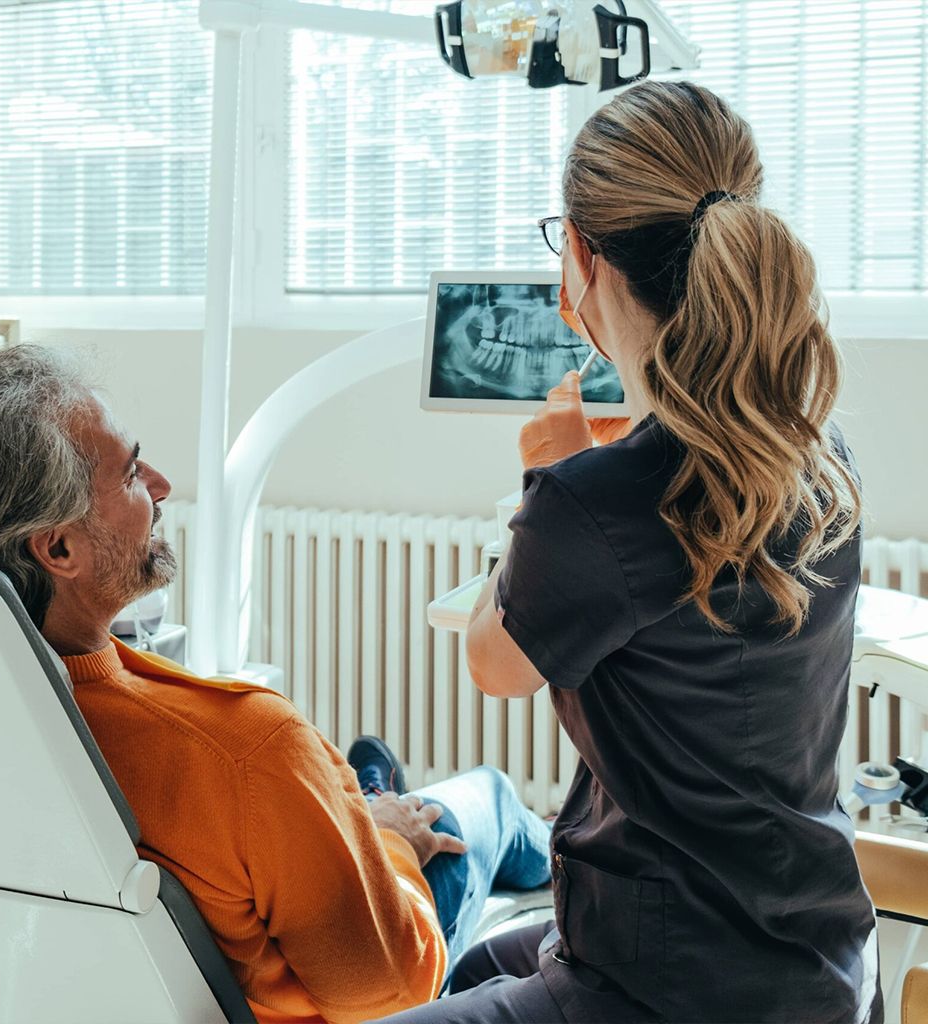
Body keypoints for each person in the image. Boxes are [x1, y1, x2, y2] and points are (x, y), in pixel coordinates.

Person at [376, 80, 881, 1024]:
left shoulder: (591, 501)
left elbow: (494, 664)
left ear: (581, 255)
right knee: (481, 961)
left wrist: (546, 481)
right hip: (813, 959)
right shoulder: (819, 452)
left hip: (667, 984)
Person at [0, 345, 552, 1024]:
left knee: (365, 785)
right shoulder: (245, 744)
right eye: (130, 474)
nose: (159, 483)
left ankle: (362, 790)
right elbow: (388, 992)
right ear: (59, 550)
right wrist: (395, 845)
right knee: (490, 802)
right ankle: (481, 844)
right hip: (334, 983)